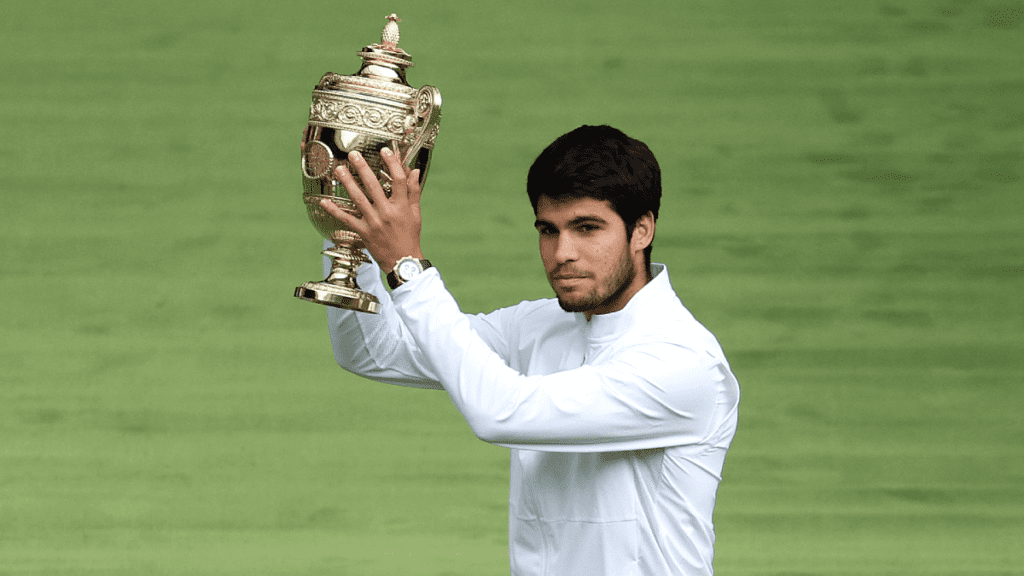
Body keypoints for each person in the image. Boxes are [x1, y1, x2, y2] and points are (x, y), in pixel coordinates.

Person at [317, 125, 740, 575]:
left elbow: (502, 412)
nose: (562, 253)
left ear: (642, 230)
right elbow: (373, 351)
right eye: (548, 230)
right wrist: (351, 225)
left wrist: (406, 266)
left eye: (587, 228)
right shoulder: (539, 326)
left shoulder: (681, 362)